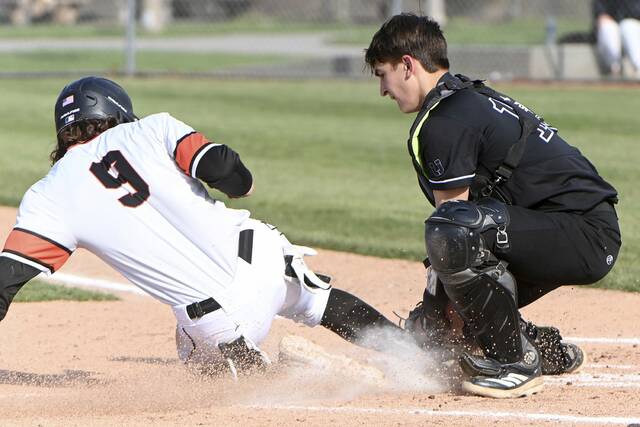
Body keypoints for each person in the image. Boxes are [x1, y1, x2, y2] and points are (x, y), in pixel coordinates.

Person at [0, 76, 401, 379]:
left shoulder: (48, 195)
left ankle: (296, 374)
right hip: (262, 258)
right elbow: (226, 171)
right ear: (118, 113)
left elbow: (5, 282)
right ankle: (417, 352)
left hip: (219, 322)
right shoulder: (153, 128)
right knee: (318, 301)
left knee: (196, 360)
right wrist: (241, 183)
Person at [365, 14, 621, 398]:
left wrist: (435, 318)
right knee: (453, 299)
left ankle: (515, 362)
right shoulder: (466, 98)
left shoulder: (444, 120)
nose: (383, 89)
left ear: (407, 64)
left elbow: (453, 229)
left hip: (583, 234)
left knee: (455, 234)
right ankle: (541, 348)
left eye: (382, 74)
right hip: (574, 229)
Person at [593, 0, 640, 78]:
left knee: (628, 26)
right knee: (608, 27)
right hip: (611, 28)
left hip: (633, 27)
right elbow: (601, 13)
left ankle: (638, 67)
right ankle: (615, 69)